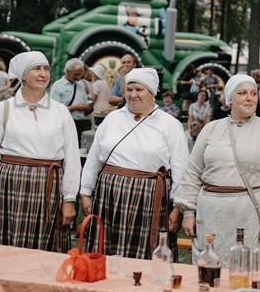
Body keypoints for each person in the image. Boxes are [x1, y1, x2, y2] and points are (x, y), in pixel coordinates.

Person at [173, 74, 260, 268]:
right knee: (210, 269)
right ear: (230, 99)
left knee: (251, 269)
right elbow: (193, 171)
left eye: (253, 93)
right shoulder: (211, 129)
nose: (249, 98)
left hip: (250, 216)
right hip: (211, 215)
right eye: (242, 93)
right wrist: (188, 211)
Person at [0, 51, 80, 252]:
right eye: (36, 68)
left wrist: (69, 199)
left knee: (47, 251)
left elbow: (72, 159)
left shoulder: (60, 111)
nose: (43, 74)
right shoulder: (5, 108)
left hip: (49, 187)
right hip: (10, 188)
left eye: (46, 69)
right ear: (23, 75)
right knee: (8, 250)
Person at [80, 68, 189, 260]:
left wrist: (178, 207)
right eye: (129, 89)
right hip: (109, 196)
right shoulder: (112, 119)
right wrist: (85, 192)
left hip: (148, 198)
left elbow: (181, 167)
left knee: (145, 257)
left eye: (139, 89)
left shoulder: (169, 124)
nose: (133, 94)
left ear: (152, 92)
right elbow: (94, 157)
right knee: (105, 253)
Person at [50, 58, 93, 144]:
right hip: (65, 123)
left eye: (80, 74)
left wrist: (88, 107)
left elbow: (87, 105)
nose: (79, 77)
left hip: (81, 124)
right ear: (67, 71)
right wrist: (75, 108)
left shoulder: (81, 85)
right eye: (76, 74)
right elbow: (54, 110)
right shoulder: (58, 86)